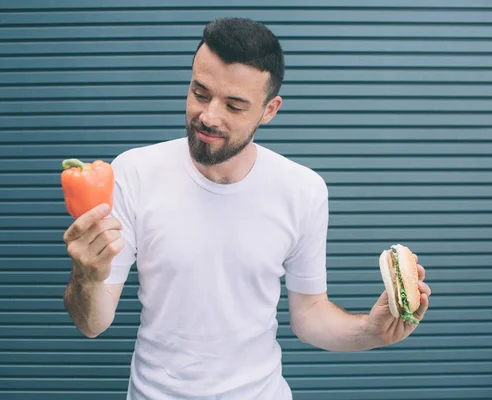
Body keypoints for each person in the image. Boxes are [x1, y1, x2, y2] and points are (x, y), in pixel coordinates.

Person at [62, 17, 432, 400]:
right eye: (200, 93)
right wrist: (87, 276)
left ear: (269, 109)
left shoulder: (302, 190)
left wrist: (370, 331)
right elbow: (92, 324)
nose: (209, 116)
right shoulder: (132, 172)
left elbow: (309, 317)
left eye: (234, 105)